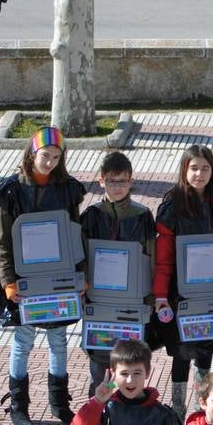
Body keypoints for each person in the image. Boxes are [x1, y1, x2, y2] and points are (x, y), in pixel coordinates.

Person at [0, 126, 86, 425]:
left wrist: (80, 276)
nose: (50, 163)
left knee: (58, 340)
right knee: (23, 341)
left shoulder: (68, 189)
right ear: (32, 153)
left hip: (59, 278)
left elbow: (75, 235)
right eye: (46, 156)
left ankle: (60, 404)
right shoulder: (13, 191)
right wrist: (8, 282)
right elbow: (3, 242)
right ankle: (19, 406)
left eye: (56, 157)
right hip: (24, 280)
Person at [152, 145, 213, 417]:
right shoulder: (172, 206)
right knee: (182, 353)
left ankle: (201, 406)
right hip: (180, 293)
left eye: (205, 168)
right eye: (194, 168)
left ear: (212, 171)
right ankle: (178, 408)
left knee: (206, 348)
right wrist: (160, 295)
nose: (199, 174)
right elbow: (163, 258)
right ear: (184, 170)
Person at [79, 151, 157, 395]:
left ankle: (127, 405)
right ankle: (99, 404)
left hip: (131, 301)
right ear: (101, 181)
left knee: (130, 361)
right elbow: (81, 257)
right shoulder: (91, 216)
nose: (118, 187)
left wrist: (151, 296)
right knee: (99, 360)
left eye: (122, 181)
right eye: (112, 181)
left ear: (131, 181)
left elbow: (151, 256)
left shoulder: (142, 216)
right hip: (99, 299)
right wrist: (82, 290)